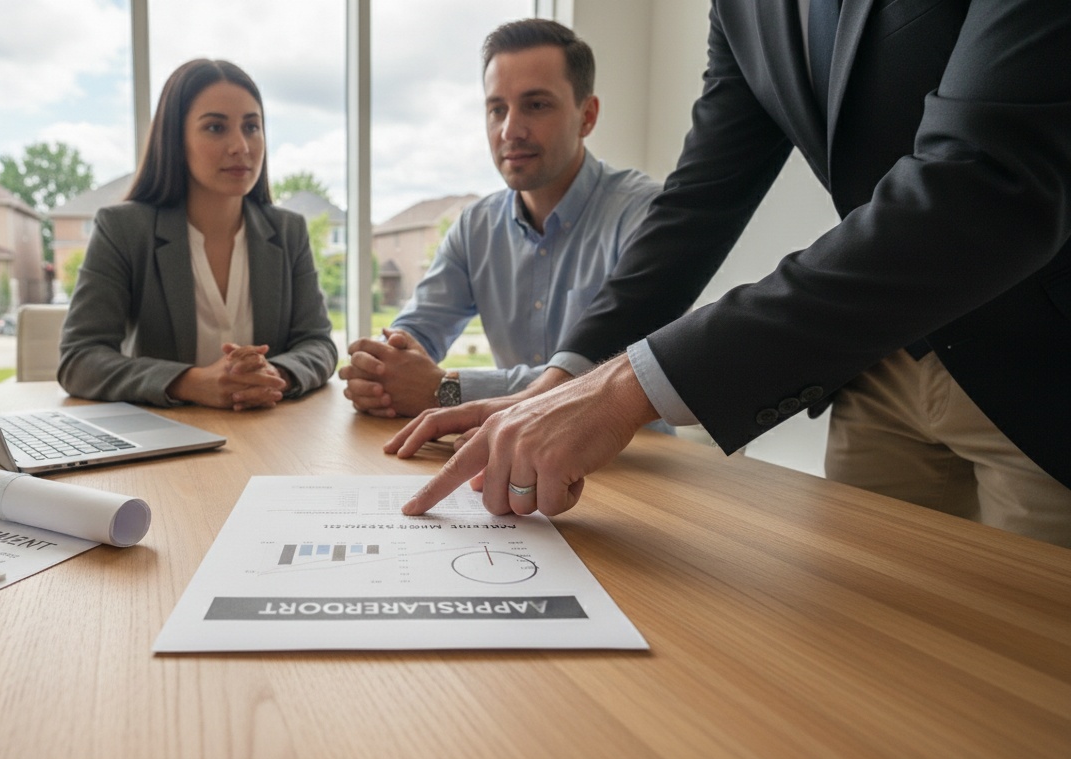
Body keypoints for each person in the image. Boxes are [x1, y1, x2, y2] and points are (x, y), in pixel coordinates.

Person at [392, 1, 1071, 547]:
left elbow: (986, 184)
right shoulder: (742, 11)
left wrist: (627, 385)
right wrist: (557, 383)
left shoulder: (623, 202)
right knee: (862, 659)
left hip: (1042, 363)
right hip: (876, 367)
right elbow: (701, 201)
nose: (513, 127)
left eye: (537, 103)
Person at [338, 19, 658, 418]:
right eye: (496, 109)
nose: (510, 130)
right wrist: (382, 368)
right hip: (509, 454)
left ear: (587, 116)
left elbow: (617, 378)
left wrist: (447, 390)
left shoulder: (646, 216)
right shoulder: (475, 227)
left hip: (632, 461)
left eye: (535, 105)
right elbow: (417, 331)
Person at [59, 59, 336, 410]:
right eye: (216, 128)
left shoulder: (288, 231)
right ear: (175, 139)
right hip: (165, 440)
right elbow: (79, 359)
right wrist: (191, 382)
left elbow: (318, 344)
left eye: (252, 127)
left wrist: (272, 376)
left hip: (268, 434)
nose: (241, 146)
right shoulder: (124, 229)